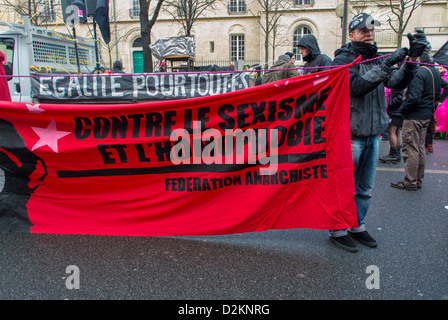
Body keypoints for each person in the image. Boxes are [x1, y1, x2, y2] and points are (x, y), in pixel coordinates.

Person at [330, 13, 426, 252]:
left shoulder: (375, 58)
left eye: (372, 30)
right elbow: (356, 87)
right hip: (350, 136)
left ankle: (356, 225)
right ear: (351, 35)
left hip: (373, 135)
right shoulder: (343, 60)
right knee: (344, 186)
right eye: (363, 30)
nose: (370, 34)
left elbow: (395, 82)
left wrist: (412, 60)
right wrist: (385, 64)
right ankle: (337, 228)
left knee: (364, 188)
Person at [391, 52, 442, 191]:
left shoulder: (419, 73)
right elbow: (438, 93)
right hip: (426, 114)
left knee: (410, 148)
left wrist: (402, 109)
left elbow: (413, 98)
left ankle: (410, 180)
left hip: (414, 116)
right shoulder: (434, 72)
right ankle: (417, 179)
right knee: (419, 147)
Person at [379, 74, 406, 164]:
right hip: (400, 111)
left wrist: (390, 104)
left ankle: (394, 154)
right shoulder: (403, 80)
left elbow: (398, 98)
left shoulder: (399, 83)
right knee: (396, 131)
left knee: (392, 131)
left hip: (396, 111)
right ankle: (396, 154)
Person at [425, 65, 448, 153]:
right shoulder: (435, 74)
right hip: (432, 103)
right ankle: (429, 145)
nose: (439, 70)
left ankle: (427, 146)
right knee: (430, 123)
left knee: (426, 125)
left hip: (428, 103)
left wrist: (441, 100)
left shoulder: (431, 74)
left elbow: (446, 86)